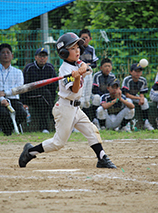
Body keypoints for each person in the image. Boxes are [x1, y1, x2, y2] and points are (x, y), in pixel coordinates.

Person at [18, 32, 116, 169]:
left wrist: (81, 68)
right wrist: (76, 77)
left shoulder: (76, 62)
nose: (77, 51)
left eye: (78, 48)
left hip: (76, 108)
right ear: (64, 52)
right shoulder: (65, 70)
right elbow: (75, 90)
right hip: (65, 108)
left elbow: (87, 68)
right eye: (73, 48)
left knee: (91, 131)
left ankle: (102, 158)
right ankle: (29, 152)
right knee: (58, 143)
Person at [0, 43, 27, 136]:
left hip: (14, 100)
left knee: (22, 113)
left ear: (12, 56)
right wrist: (2, 99)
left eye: (8, 52)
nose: (5, 55)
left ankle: (10, 129)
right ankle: (7, 134)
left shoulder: (18, 72)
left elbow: (19, 88)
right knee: (3, 113)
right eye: (3, 53)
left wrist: (5, 93)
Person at [20, 48, 58, 133]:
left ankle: (44, 128)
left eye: (44, 56)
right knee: (45, 93)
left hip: (45, 99)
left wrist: (51, 99)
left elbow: (53, 86)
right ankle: (54, 118)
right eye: (40, 56)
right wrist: (23, 102)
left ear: (47, 58)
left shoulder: (50, 68)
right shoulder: (29, 68)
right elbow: (24, 85)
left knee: (43, 101)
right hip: (30, 97)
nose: (42, 58)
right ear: (35, 57)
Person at [122, 63, 154, 130]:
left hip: (135, 96)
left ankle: (146, 122)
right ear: (131, 72)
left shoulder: (143, 80)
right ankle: (126, 124)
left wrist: (141, 98)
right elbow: (126, 94)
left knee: (145, 100)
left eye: (139, 71)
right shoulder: (127, 80)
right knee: (129, 101)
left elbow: (142, 92)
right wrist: (139, 98)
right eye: (136, 71)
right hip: (126, 97)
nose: (138, 73)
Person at [91, 58, 116, 126]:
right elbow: (95, 89)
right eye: (105, 66)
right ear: (101, 67)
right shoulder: (97, 75)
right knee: (97, 97)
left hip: (107, 96)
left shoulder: (112, 76)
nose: (107, 68)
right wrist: (104, 96)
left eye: (109, 66)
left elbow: (114, 88)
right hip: (98, 95)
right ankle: (94, 118)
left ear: (111, 67)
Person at [78, 29, 99, 109]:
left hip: (88, 73)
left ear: (90, 38)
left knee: (87, 99)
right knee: (81, 98)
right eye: (82, 38)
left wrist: (88, 65)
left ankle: (88, 118)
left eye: (86, 37)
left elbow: (95, 63)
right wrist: (83, 65)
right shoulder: (77, 48)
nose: (84, 40)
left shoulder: (91, 49)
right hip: (80, 74)